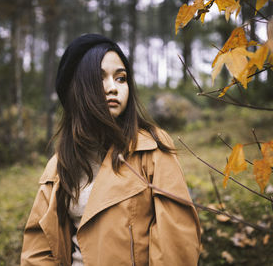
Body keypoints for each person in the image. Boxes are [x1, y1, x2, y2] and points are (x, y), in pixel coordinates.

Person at [21, 34, 201, 266]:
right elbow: (38, 251)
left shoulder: (151, 148)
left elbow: (176, 243)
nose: (113, 88)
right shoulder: (59, 166)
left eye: (121, 78)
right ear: (77, 88)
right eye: (100, 78)